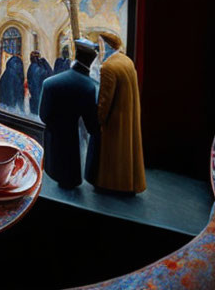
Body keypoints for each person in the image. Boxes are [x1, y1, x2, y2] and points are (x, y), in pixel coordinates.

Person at [38, 38, 100, 188]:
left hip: (53, 147)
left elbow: (43, 116)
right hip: (75, 148)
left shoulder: (50, 83)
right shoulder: (89, 87)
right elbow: (92, 126)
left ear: (76, 56)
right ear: (91, 61)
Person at [91, 30, 146, 193]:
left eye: (101, 44)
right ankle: (127, 185)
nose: (99, 49)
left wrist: (98, 120)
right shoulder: (126, 60)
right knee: (127, 152)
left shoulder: (108, 67)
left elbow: (104, 101)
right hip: (127, 115)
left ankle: (112, 185)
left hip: (115, 120)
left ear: (106, 46)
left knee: (114, 154)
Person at [27, 50, 51, 115]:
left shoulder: (33, 67)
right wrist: (45, 63)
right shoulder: (35, 68)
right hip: (38, 98)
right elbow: (49, 73)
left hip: (36, 98)